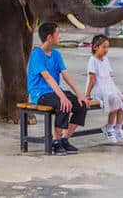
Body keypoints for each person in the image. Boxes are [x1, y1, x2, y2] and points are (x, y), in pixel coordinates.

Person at [27, 22, 89, 155]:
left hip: (54, 91)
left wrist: (80, 94)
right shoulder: (36, 54)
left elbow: (66, 76)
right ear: (49, 37)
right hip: (40, 94)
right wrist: (62, 97)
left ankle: (65, 139)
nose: (59, 37)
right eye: (58, 34)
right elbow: (48, 78)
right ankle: (56, 141)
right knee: (63, 104)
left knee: (82, 105)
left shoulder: (56, 54)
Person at [85, 34, 123, 144]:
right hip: (97, 89)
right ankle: (109, 128)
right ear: (95, 47)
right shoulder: (92, 60)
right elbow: (92, 79)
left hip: (108, 86)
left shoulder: (106, 60)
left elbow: (108, 77)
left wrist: (114, 89)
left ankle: (118, 128)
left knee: (122, 98)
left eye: (107, 47)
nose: (106, 50)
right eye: (104, 47)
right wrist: (87, 95)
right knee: (115, 99)